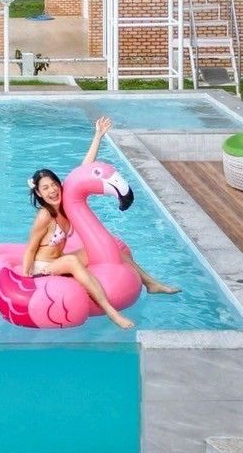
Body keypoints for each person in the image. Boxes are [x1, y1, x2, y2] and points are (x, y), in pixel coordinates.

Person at [22, 117, 179, 330]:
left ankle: (150, 282)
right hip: (44, 267)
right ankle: (111, 312)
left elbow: (83, 172)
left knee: (111, 249)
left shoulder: (66, 203)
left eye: (53, 185)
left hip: (58, 259)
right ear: (39, 194)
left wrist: (97, 136)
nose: (52, 190)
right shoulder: (45, 215)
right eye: (45, 188)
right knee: (72, 262)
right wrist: (25, 280)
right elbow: (31, 248)